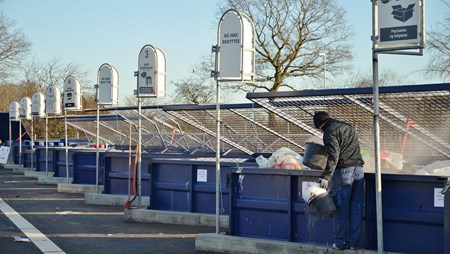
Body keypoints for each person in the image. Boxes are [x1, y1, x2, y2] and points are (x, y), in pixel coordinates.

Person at [313, 111, 365, 251]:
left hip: (343, 171)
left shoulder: (329, 132)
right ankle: (353, 243)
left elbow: (333, 156)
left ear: (320, 126)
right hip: (359, 169)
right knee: (356, 208)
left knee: (341, 208)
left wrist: (326, 176)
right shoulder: (347, 126)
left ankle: (340, 243)